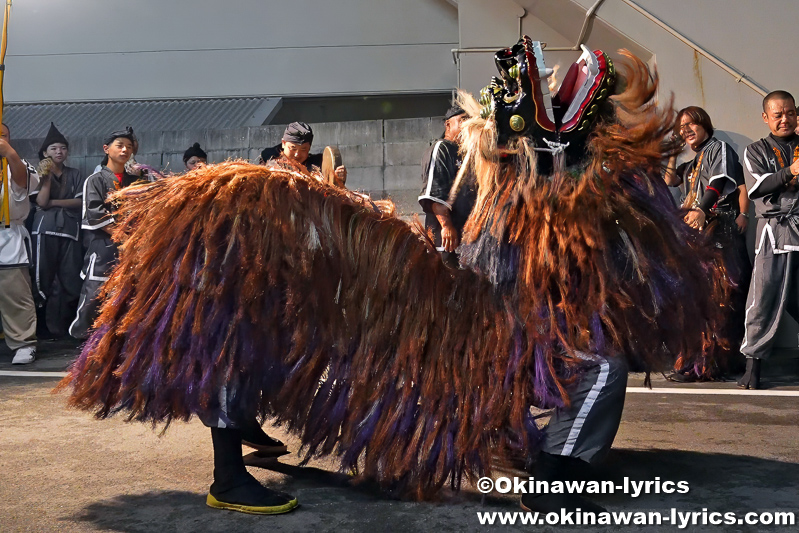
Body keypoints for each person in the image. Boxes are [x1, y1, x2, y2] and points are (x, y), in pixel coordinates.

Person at [63, 39, 723, 513]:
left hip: (486, 309)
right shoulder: (249, 233)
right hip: (472, 309)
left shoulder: (536, 183)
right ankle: (229, 466)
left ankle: (240, 441)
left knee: (564, 362)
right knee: (589, 364)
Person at [663, 107, 751, 380]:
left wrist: (702, 208)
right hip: (697, 235)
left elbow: (720, 181)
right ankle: (700, 361)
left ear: (705, 124)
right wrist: (675, 152)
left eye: (691, 123)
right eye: (681, 126)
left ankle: (713, 364)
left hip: (718, 231)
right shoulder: (691, 163)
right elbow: (669, 179)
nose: (685, 129)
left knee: (720, 297)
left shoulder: (718, 148)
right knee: (696, 297)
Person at [738, 90, 799, 389]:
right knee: (762, 297)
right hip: (773, 232)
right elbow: (758, 187)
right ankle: (753, 366)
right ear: (766, 118)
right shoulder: (755, 150)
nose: (784, 119)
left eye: (789, 112)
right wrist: (790, 172)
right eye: (778, 114)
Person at [69, 128, 139, 340]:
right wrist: (123, 235)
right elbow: (94, 213)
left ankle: (118, 336)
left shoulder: (136, 180)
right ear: (106, 149)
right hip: (104, 245)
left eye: (129, 146)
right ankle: (82, 334)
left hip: (132, 245)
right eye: (120, 145)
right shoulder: (96, 179)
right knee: (95, 291)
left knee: (128, 290)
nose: (125, 149)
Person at [30, 123, 86, 339]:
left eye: (62, 148)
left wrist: (54, 202)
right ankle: (41, 326)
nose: (59, 152)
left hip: (70, 231)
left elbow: (80, 202)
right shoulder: (37, 173)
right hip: (45, 230)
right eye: (53, 148)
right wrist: (46, 178)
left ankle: (67, 327)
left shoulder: (76, 173)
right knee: (41, 277)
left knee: (71, 278)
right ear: (45, 152)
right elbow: (42, 202)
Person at [418, 104, 477, 268]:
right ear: (448, 125)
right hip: (446, 241)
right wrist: (446, 226)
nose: (466, 126)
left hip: (466, 241)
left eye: (469, 121)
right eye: (462, 120)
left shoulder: (467, 152)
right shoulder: (441, 148)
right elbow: (435, 191)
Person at [0, 123, 39, 364]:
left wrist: (9, 154)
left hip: (7, 234)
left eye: (2, 135)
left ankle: (24, 342)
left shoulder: (18, 164)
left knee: (14, 293)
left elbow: (25, 184)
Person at [259, 122, 347, 184]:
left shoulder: (318, 165)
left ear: (309, 148)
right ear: (283, 143)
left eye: (303, 149)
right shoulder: (269, 159)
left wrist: (338, 180)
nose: (297, 154)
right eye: (293, 148)